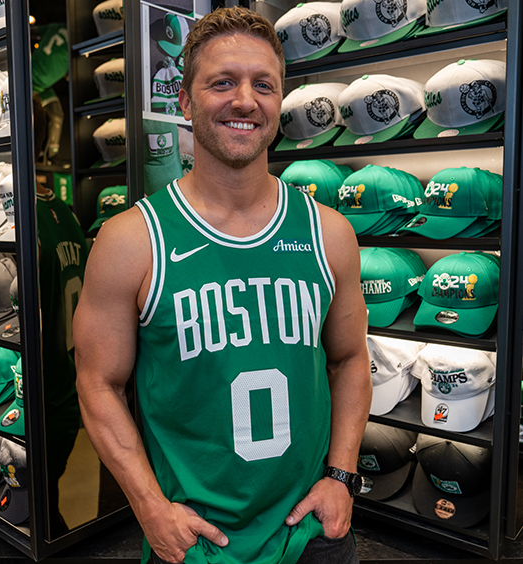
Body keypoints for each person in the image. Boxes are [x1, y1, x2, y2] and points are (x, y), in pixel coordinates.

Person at [73, 6, 372, 564]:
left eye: (263, 84)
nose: (244, 100)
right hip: (193, 543)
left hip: (311, 534)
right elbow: (97, 385)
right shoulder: (131, 241)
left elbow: (351, 359)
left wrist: (341, 476)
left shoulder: (329, 234)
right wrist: (148, 507)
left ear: (279, 103)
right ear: (185, 102)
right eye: (222, 83)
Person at [33, 93, 89, 536]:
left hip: (51, 381)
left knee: (42, 494)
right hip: (59, 379)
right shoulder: (63, 214)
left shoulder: (30, 218)